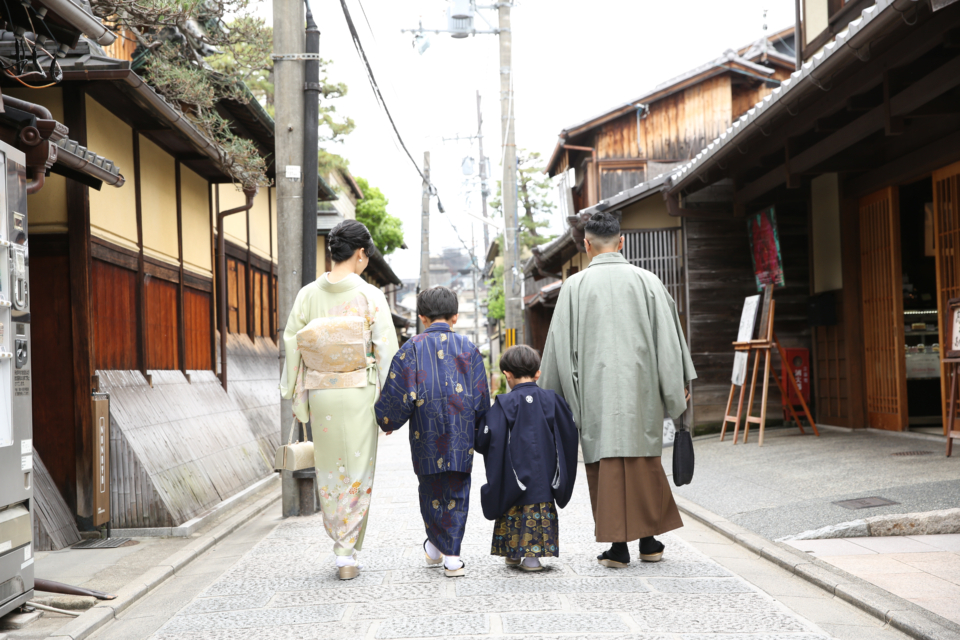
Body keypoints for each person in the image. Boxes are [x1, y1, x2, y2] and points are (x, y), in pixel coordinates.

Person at [539, 211, 696, 568]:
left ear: (586, 245)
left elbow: (559, 348)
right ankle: (650, 541)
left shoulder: (574, 288)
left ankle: (618, 546)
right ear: (621, 241)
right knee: (644, 459)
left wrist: (554, 398)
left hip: (595, 393)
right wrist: (675, 389)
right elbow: (669, 343)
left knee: (606, 464)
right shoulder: (648, 282)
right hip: (642, 391)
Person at [279, 220, 398, 581]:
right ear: (361, 254)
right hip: (359, 391)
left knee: (330, 471)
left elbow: (292, 344)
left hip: (322, 394)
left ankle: (341, 549)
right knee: (358, 471)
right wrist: (388, 401)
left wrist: (296, 396)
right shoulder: (370, 296)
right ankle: (349, 553)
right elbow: (387, 350)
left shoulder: (307, 295)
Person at [375, 287, 490, 577]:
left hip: (425, 434)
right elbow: (480, 397)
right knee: (458, 490)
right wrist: (483, 431)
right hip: (461, 434)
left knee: (430, 490)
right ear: (455, 317)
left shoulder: (411, 348)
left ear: (422, 318)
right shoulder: (469, 348)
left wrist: (388, 421)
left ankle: (444, 551)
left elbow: (398, 392)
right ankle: (446, 552)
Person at [474, 345, 578, 572]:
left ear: (507, 375)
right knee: (538, 507)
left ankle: (512, 552)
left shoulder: (502, 404)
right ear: (538, 373)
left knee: (512, 505)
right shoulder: (553, 400)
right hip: (546, 477)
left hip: (514, 477)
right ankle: (532, 559)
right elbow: (569, 433)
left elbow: (484, 440)